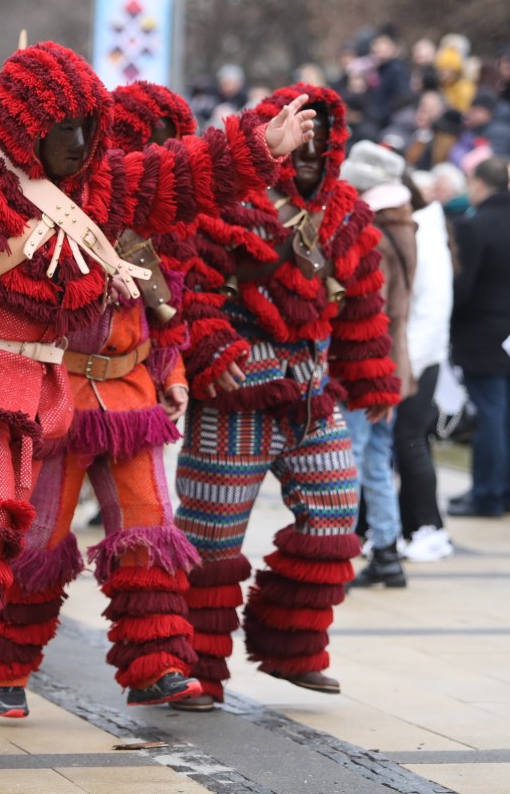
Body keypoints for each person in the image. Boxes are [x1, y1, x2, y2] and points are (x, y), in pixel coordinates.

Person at [0, 40, 313, 744]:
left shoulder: (99, 183)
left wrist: (260, 145)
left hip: (40, 385)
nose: (76, 144)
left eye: (86, 129)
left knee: (0, 520)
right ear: (23, 125)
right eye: (61, 129)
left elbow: (180, 174)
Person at [167, 84, 395, 711]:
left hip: (313, 397)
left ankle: (292, 648)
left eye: (319, 147)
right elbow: (193, 289)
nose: (307, 158)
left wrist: (372, 377)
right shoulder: (230, 200)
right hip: (237, 396)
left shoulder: (347, 212)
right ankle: (191, 671)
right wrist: (215, 352)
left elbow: (363, 302)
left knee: (335, 516)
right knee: (211, 542)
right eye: (297, 143)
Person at [0, 81, 209, 717]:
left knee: (150, 528)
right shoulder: (56, 209)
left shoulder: (163, 227)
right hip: (60, 393)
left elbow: (168, 313)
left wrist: (172, 372)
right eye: (153, 146)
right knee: (41, 541)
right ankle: (5, 669)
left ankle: (157, 666)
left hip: (133, 395)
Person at [448, 157, 510, 517]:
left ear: (479, 184)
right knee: (505, 410)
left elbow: (464, 286)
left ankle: (488, 494)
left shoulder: (476, 226)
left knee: (491, 413)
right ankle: (503, 490)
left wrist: (450, 321)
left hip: (482, 332)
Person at [339, 142, 416, 587]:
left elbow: (370, 307)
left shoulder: (374, 232)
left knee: (350, 457)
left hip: (368, 364)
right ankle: (386, 549)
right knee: (376, 457)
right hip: (393, 363)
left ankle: (343, 551)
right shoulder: (403, 224)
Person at [397, 174, 455, 561]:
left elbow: (431, 310)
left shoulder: (425, 236)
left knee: (411, 441)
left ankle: (427, 525)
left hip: (417, 359)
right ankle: (412, 524)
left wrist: (408, 367)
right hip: (413, 357)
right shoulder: (421, 231)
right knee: (405, 443)